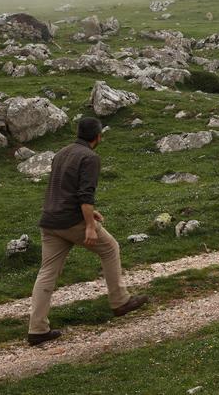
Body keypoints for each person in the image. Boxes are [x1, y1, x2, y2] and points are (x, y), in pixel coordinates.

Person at [27, 117, 148, 346]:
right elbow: (85, 195)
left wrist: (90, 213)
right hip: (71, 221)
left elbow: (65, 188)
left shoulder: (62, 152)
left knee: (47, 272)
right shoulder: (90, 157)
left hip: (50, 220)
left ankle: (37, 329)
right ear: (98, 136)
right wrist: (90, 226)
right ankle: (120, 301)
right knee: (110, 248)